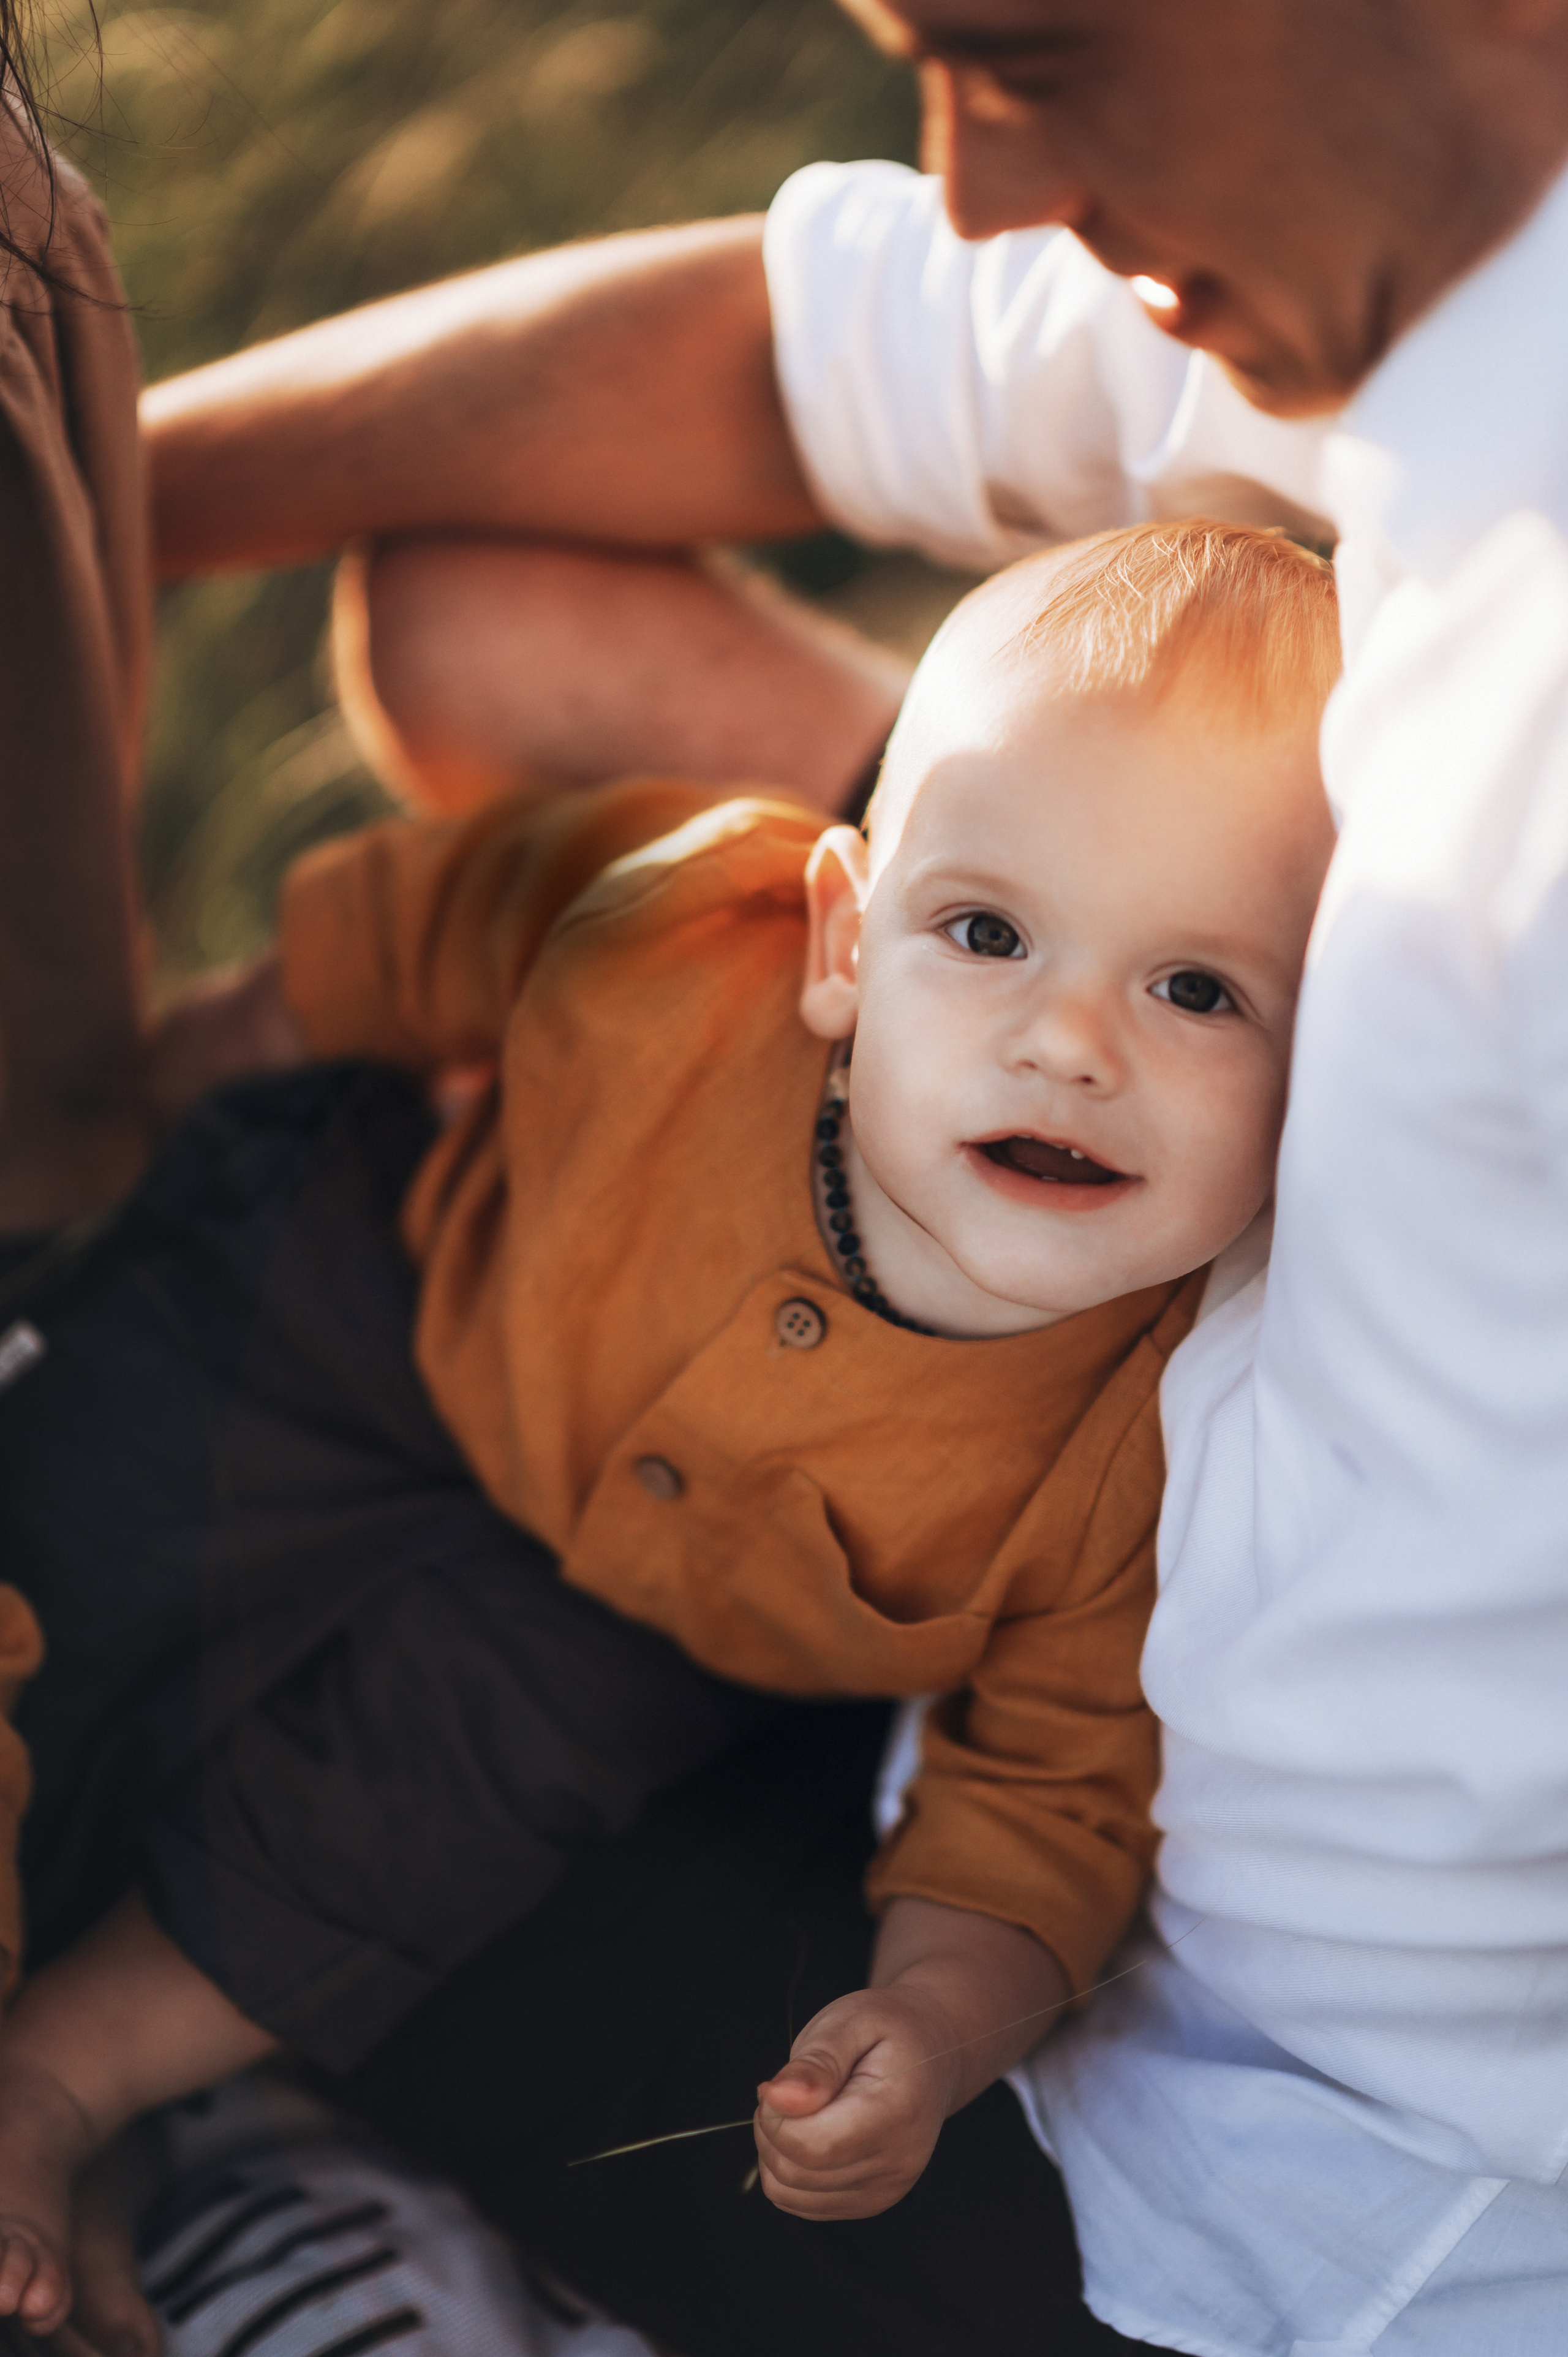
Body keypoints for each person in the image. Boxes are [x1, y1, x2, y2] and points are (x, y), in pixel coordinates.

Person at [134, 3, 1568, 2353]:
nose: (980, 174)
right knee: (494, 616)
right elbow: (805, 336)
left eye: (1038, 52)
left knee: (292, 1789)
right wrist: (84, 502)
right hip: (893, 1564)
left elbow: (1056, 1807)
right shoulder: (1397, 250)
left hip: (1289, 2128)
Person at [0, 520, 1338, 2347]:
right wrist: (184, 1073)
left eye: (1200, 990)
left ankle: (63, 2086)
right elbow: (445, 917)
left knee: (410, 1824)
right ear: (841, 944)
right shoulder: (677, 938)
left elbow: (1049, 1802)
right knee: (76, 1542)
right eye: (985, 933)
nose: (1069, 1041)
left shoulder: (1139, 1454)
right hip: (359, 1307)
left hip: (621, 1627)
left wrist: (935, 2024)